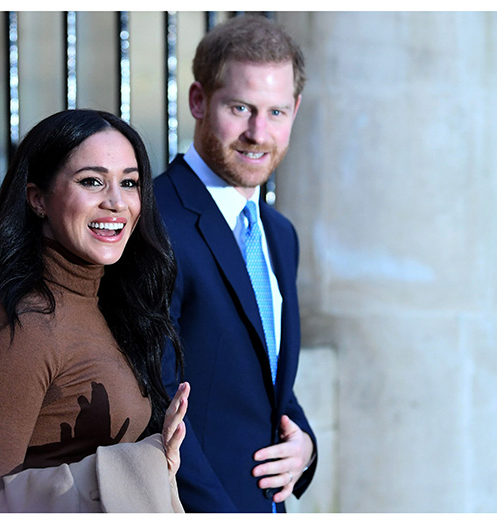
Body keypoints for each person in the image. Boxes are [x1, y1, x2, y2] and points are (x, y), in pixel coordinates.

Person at [0, 109, 189, 512]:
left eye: (129, 183)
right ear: (37, 198)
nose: (115, 202)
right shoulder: (22, 327)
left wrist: (152, 465)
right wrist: (124, 468)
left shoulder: (107, 301)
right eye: (91, 181)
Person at [153, 14, 317, 513]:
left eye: (276, 112)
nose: (258, 133)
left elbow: (264, 376)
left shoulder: (278, 233)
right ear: (199, 101)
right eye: (240, 108)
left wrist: (305, 445)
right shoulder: (154, 220)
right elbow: (152, 395)